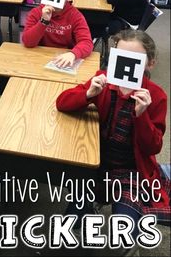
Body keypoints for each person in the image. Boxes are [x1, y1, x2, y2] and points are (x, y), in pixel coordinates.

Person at [56, 29, 170, 255]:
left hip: (131, 171)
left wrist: (142, 115)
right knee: (68, 226)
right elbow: (62, 103)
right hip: (95, 164)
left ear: (150, 64)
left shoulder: (155, 96)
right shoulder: (104, 80)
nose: (126, 64)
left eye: (134, 60)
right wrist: (88, 93)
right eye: (120, 57)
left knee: (123, 237)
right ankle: (93, 204)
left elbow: (153, 146)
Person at [22, 0, 94, 68]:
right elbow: (28, 42)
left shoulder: (76, 16)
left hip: (64, 59)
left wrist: (73, 54)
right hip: (38, 57)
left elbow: (86, 43)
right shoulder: (37, 12)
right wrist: (43, 21)